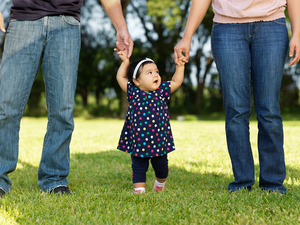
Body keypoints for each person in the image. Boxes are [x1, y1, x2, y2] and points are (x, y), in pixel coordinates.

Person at [0, 0, 133, 197]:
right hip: (23, 20)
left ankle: (54, 179)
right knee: (7, 106)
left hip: (67, 23)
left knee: (62, 109)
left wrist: (121, 26)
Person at [174, 0, 300, 194]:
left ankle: (273, 184)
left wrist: (297, 33)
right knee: (235, 110)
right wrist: (187, 36)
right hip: (227, 28)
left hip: (272, 25)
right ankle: (242, 182)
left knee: (269, 110)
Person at [115, 48, 185, 193]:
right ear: (136, 81)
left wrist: (180, 66)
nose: (156, 75)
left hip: (159, 142)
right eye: (149, 72)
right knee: (138, 168)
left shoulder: (162, 91)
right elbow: (120, 78)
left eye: (156, 72)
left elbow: (176, 81)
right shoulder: (133, 92)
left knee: (162, 168)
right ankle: (139, 191)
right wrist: (125, 62)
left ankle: (159, 184)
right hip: (138, 142)